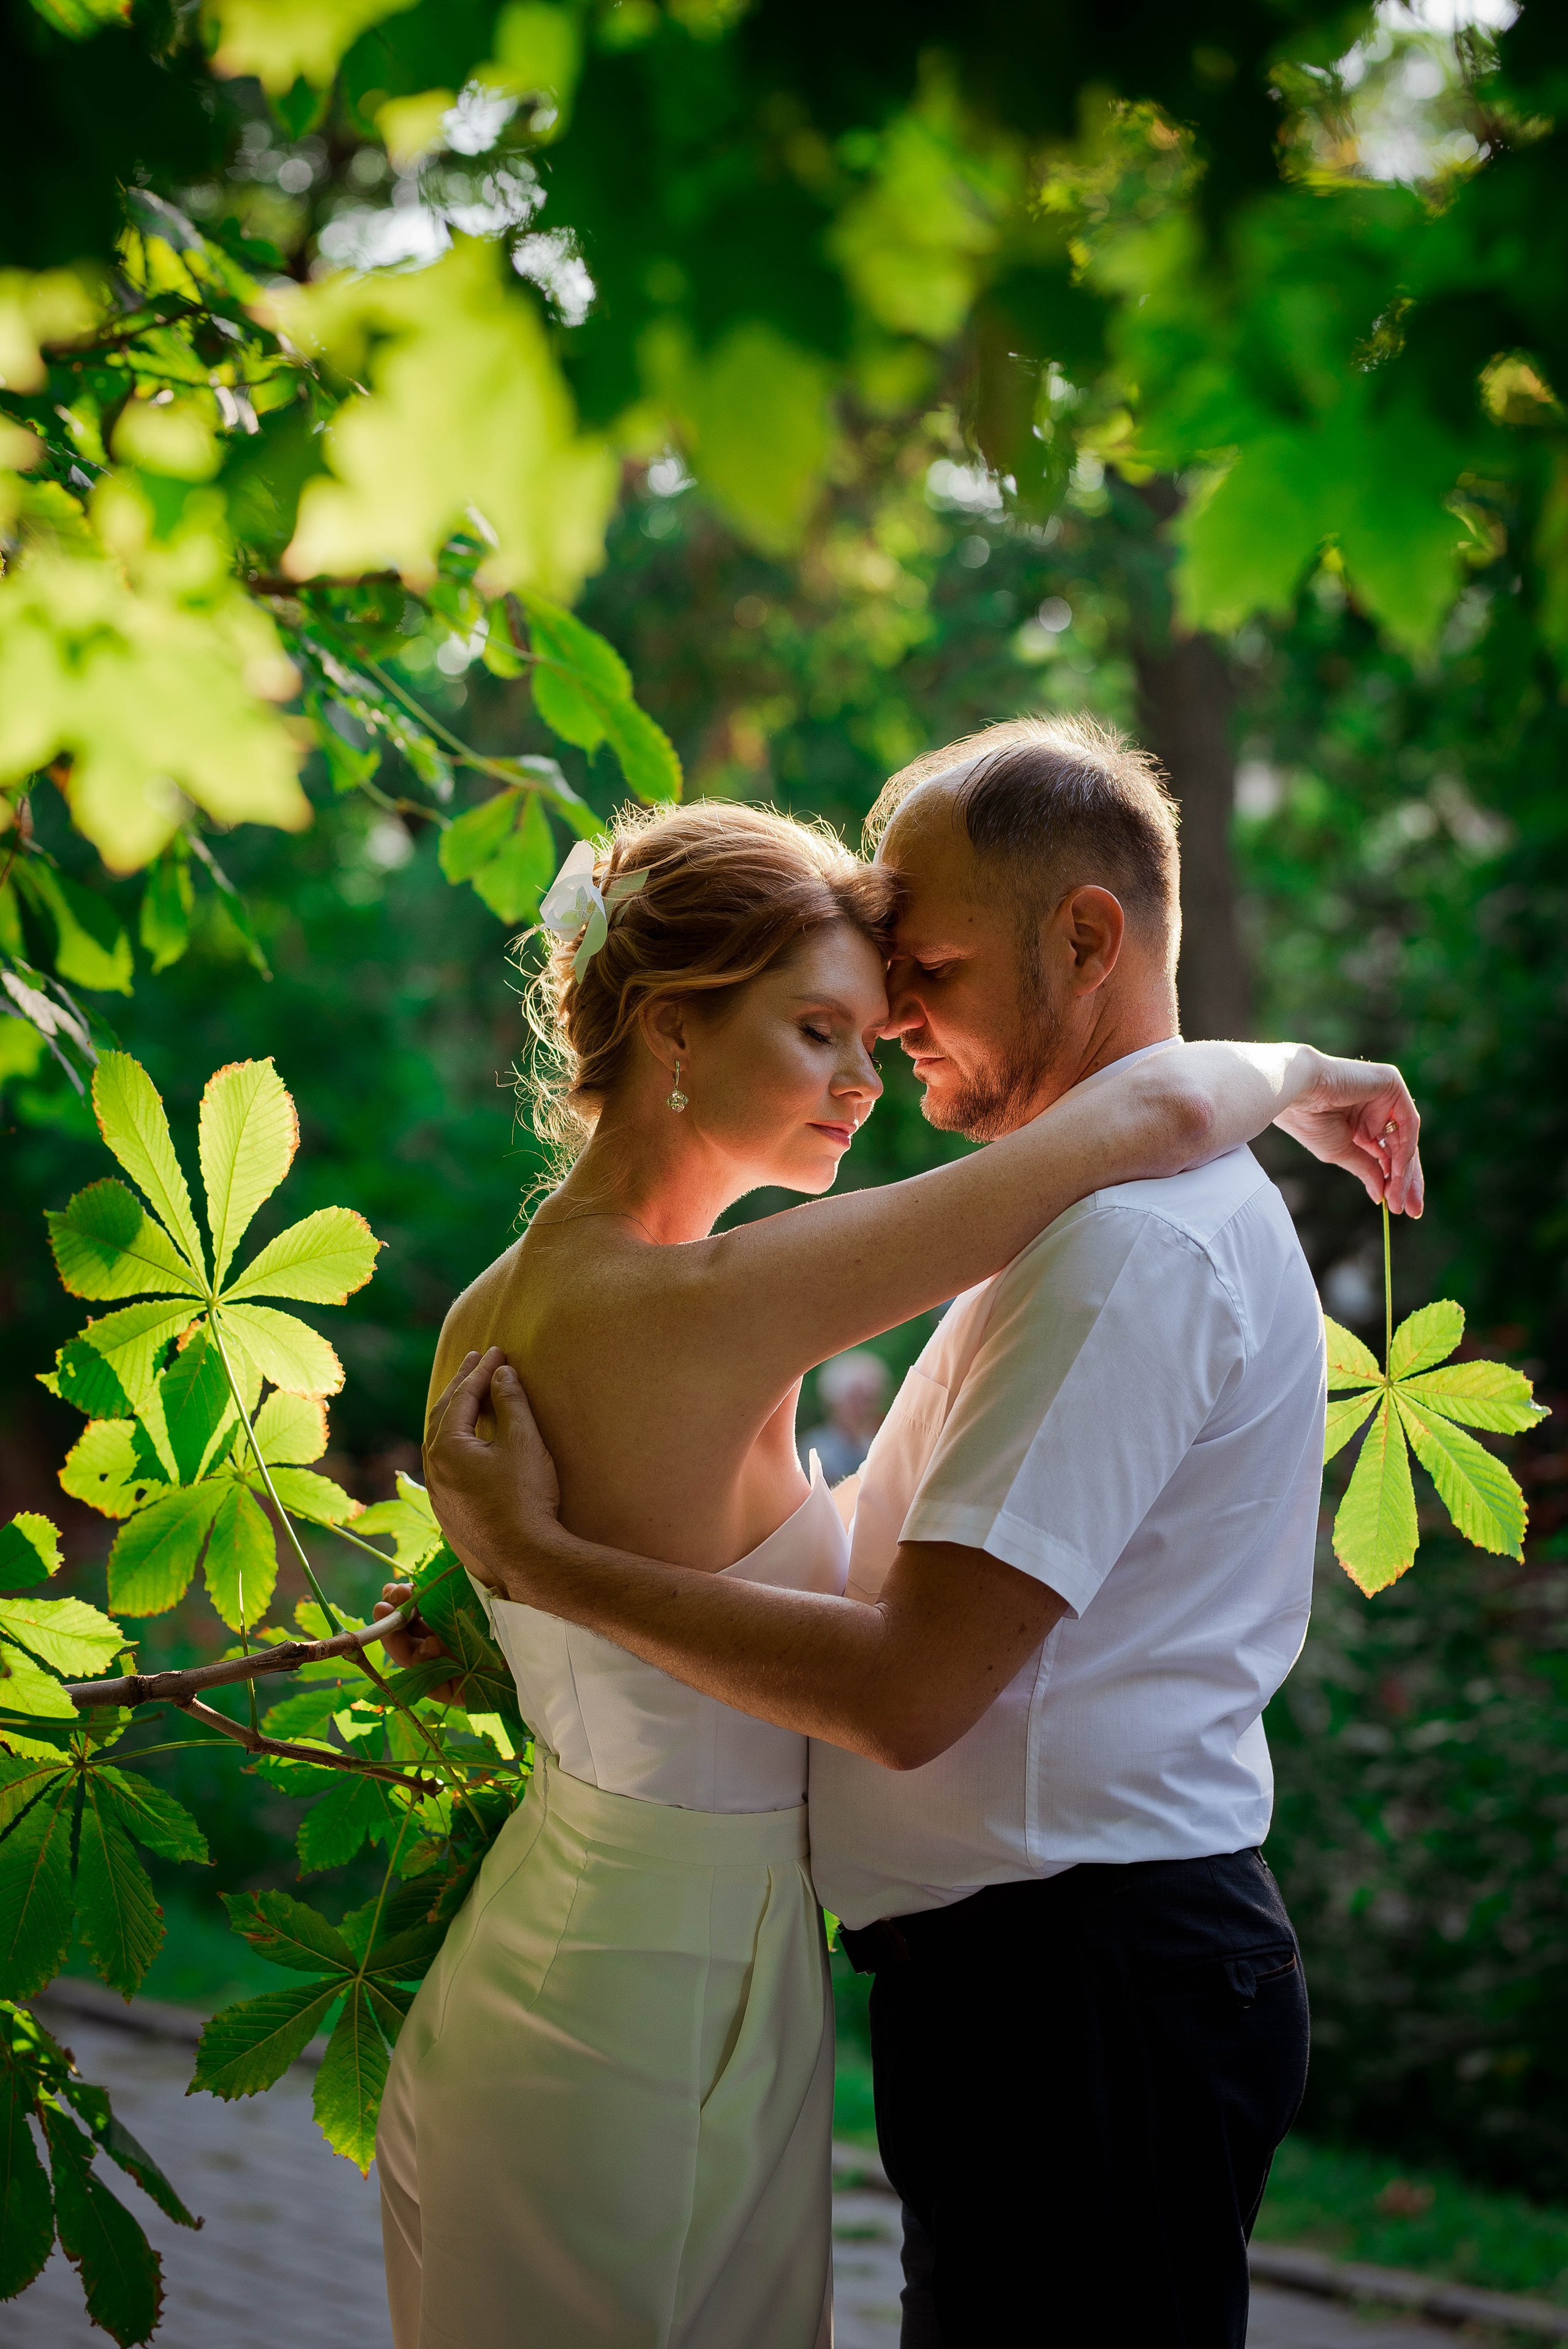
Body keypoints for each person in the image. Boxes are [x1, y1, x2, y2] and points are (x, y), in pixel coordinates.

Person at [389, 745, 1422, 2349]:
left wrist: (535, 1576)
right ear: (671, 1028)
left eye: (894, 1010)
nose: (878, 1067)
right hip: (661, 1999)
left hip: (664, 1953)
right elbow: (1146, 1103)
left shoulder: (517, 1298)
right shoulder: (715, 1304)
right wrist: (1304, 1065)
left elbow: (705, 1626)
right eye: (829, 1027)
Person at [799, 1348, 890, 1483]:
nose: (862, 1408)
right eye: (854, 1399)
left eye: (869, 1399)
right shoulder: (816, 1450)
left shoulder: (881, 1445)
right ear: (834, 1401)